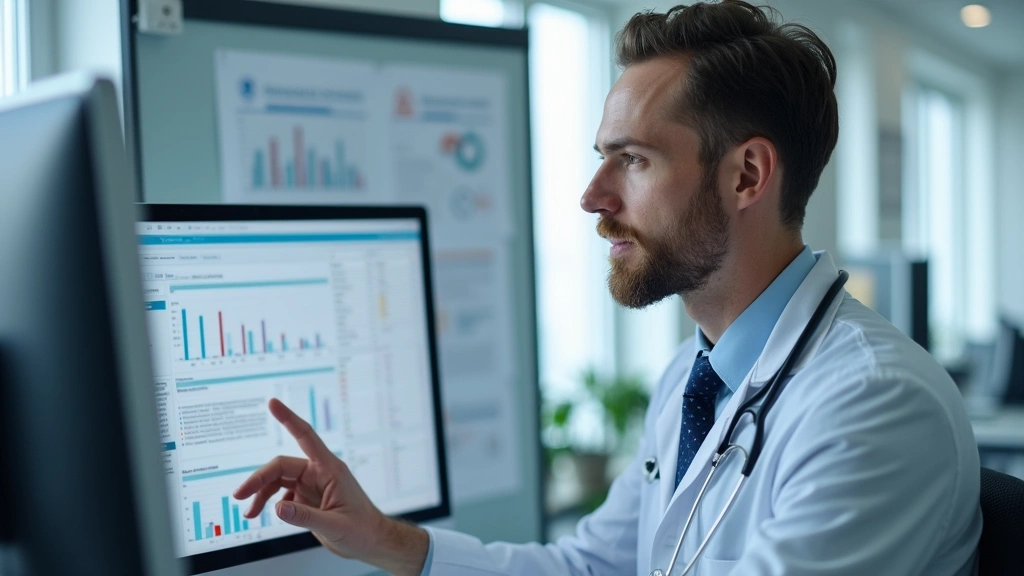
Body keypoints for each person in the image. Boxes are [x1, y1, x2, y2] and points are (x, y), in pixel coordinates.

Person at [234, 1, 983, 574]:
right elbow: (593, 566)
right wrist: (386, 540)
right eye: (602, 157)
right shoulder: (697, 378)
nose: (593, 197)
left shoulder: (874, 404)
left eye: (634, 160)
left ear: (746, 175)